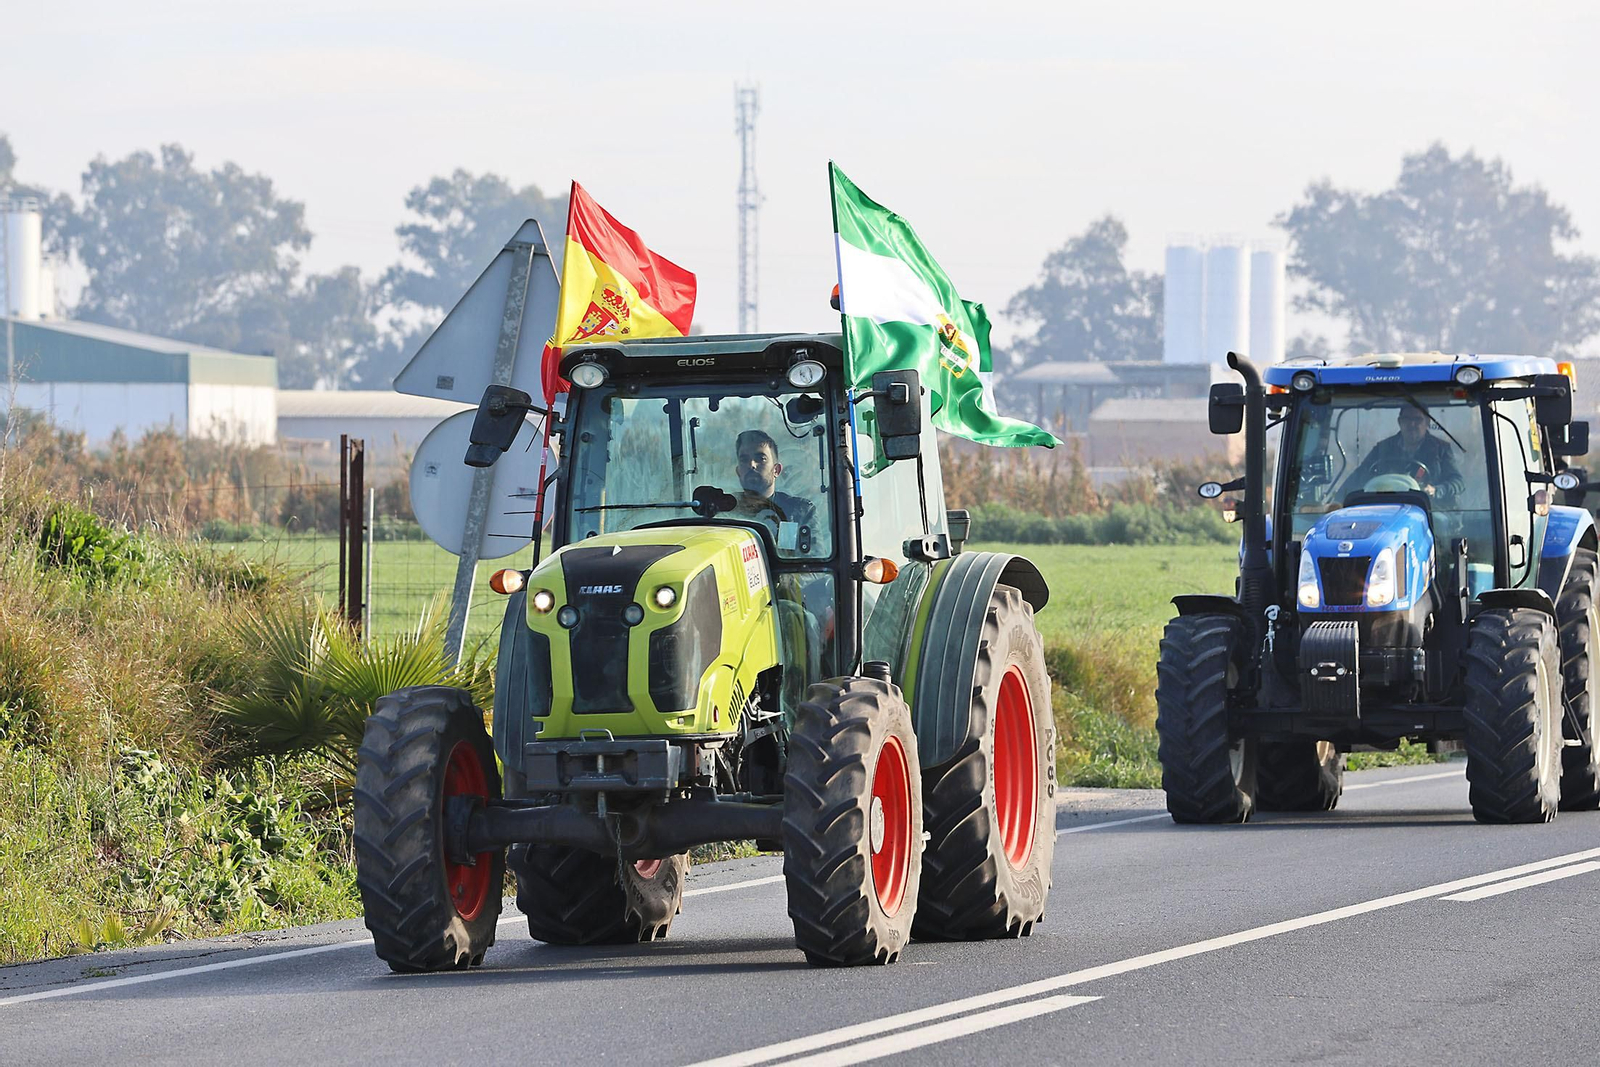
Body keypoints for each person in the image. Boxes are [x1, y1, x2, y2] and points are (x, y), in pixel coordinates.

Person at [1341, 404, 1466, 500]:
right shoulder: (1383, 448)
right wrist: (1339, 499)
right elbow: (1359, 475)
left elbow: (1458, 482)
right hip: (1389, 506)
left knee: (1439, 521)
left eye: (1418, 420)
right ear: (1400, 422)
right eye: (1407, 419)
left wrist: (1436, 490)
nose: (1412, 424)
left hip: (1431, 509)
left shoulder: (1441, 449)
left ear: (1427, 423)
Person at [732, 429, 818, 533]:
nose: (752, 465)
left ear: (776, 470)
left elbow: (813, 549)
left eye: (761, 458)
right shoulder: (723, 511)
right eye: (744, 460)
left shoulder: (799, 513)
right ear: (738, 471)